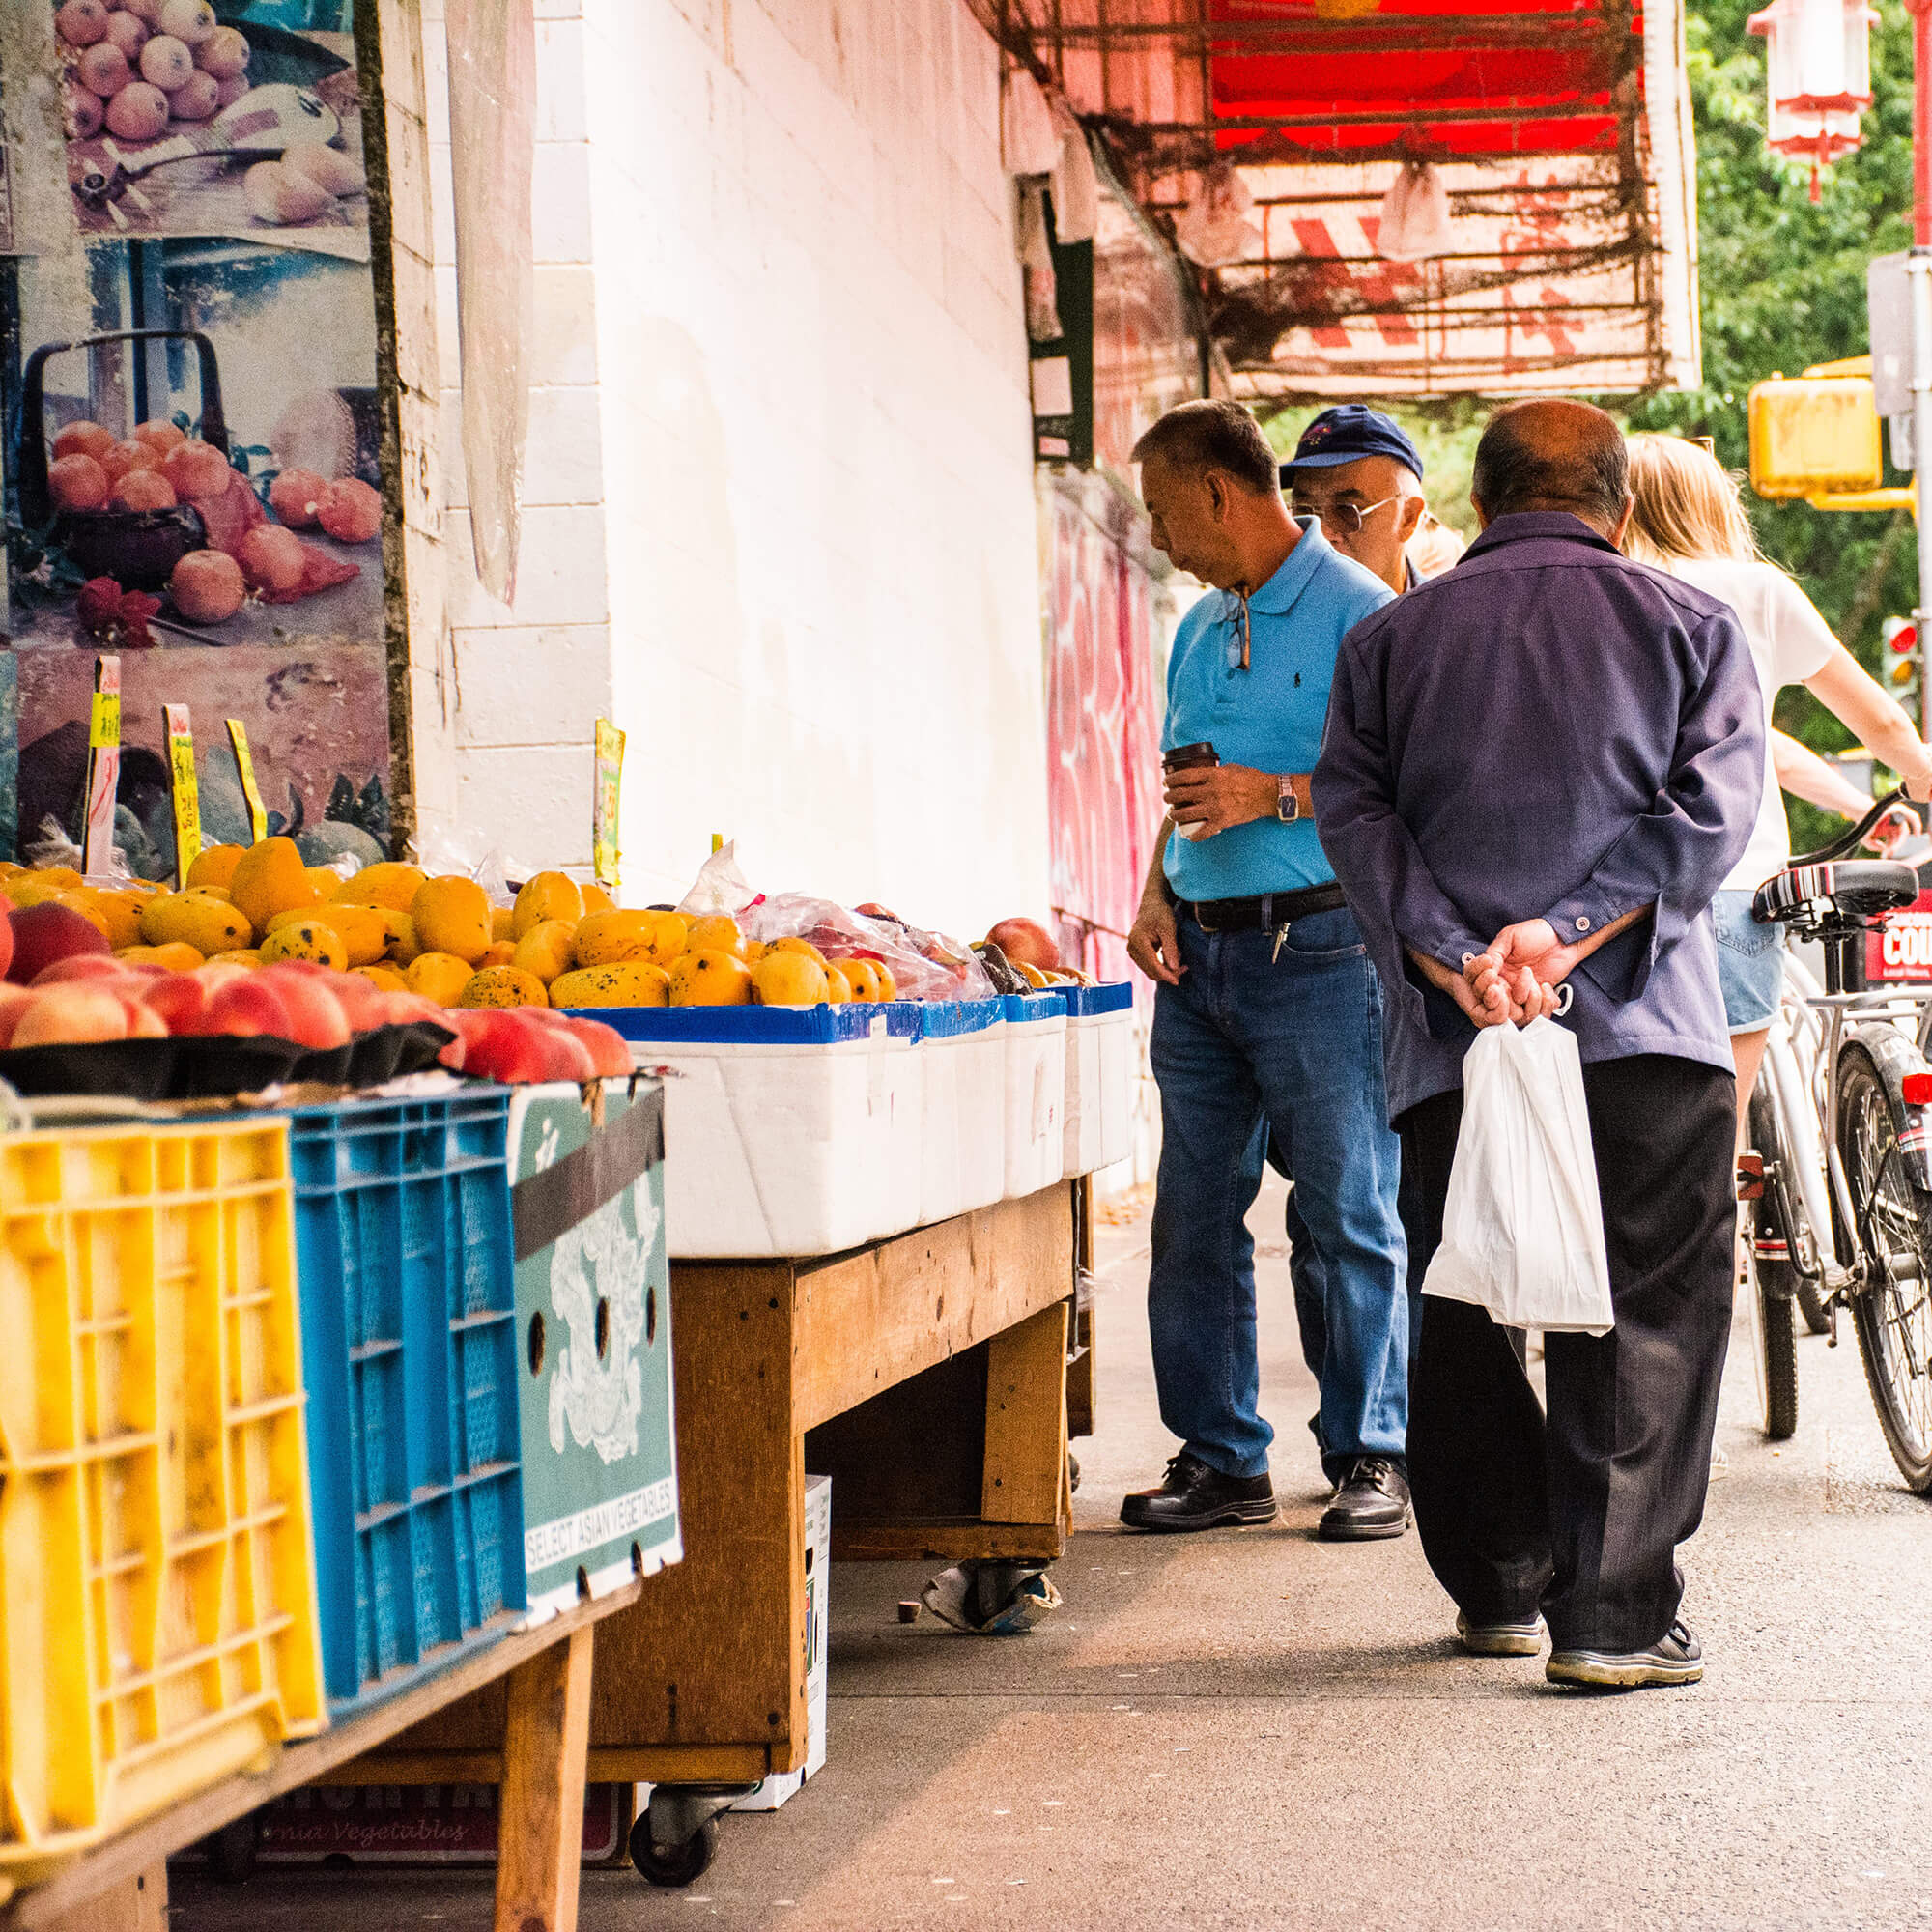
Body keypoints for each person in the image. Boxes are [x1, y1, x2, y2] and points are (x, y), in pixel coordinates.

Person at [1314, 398, 1765, 1688]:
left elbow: (1354, 815)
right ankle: (1613, 1620)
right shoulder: (1691, 627)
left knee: (1458, 1307)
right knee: (1647, 1314)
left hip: (1454, 1041)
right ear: (1620, 507)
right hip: (1642, 1036)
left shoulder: (1391, 641)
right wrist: (1565, 935)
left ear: (1486, 495)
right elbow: (1712, 811)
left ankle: (1502, 1583)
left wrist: (1460, 952)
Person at [1121, 398, 1413, 1543]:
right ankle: (1220, 1457)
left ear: (1213, 493)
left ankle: (1370, 1452)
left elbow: (1401, 785)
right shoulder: (1198, 626)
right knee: (1190, 1218)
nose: (1152, 536)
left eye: (1157, 510)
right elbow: (1184, 785)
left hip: (1322, 949)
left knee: (1344, 1209)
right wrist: (1154, 890)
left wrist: (1273, 793)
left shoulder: (1362, 613)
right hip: (1200, 960)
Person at [1623, 433, 1932, 1128]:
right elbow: (1880, 719)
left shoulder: (1608, 597)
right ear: (1710, 504)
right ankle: (1727, 1232)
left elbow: (1765, 748)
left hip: (1622, 900)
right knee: (1720, 1131)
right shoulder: (1758, 593)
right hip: (1733, 886)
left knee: (1644, 1128)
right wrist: (1916, 776)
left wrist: (1855, 803)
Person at [1278, 405, 1432, 596]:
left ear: (1408, 518)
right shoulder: (1262, 618)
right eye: (1304, 511)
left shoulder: (1447, 619)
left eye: (1346, 510)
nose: (1321, 534)